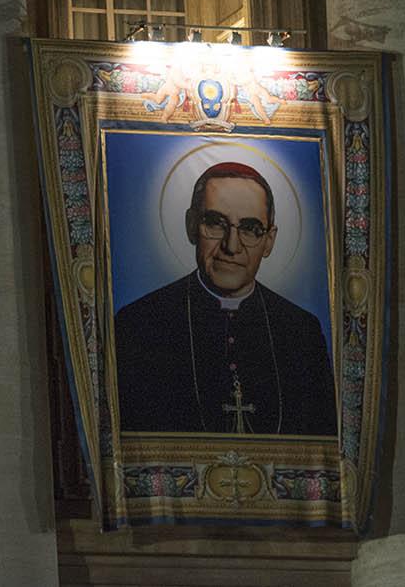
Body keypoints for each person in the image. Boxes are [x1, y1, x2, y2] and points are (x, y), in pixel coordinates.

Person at [113, 161, 336, 435]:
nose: (231, 246)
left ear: (269, 241)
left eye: (250, 229)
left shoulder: (302, 332)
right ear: (191, 226)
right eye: (215, 224)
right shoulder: (138, 325)